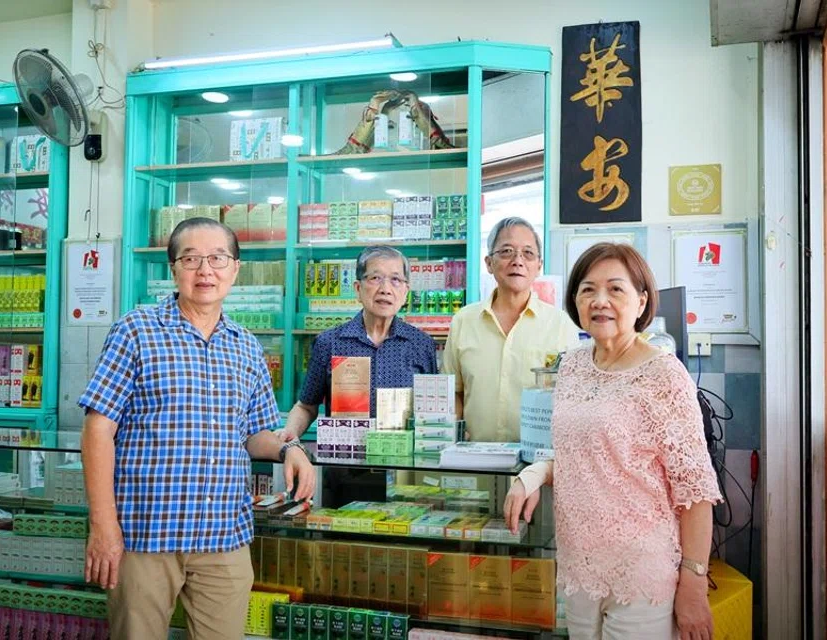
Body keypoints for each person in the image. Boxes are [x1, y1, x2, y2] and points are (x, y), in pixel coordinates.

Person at [78, 217, 315, 640]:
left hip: (223, 535)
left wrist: (288, 449)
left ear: (235, 268)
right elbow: (98, 430)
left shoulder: (246, 345)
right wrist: (103, 524)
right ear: (173, 269)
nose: (205, 270)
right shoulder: (137, 330)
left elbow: (256, 432)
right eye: (191, 258)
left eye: (218, 258)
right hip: (144, 533)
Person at [504, 242, 721, 640]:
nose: (599, 300)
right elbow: (586, 453)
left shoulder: (664, 375)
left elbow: (696, 490)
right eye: (588, 289)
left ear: (641, 302)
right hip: (579, 567)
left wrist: (693, 582)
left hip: (640, 573)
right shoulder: (571, 365)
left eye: (615, 289)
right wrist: (536, 472)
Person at [442, 217, 580, 442]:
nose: (518, 261)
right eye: (507, 251)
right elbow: (453, 391)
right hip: (475, 462)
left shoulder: (560, 324)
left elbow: (573, 398)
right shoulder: (463, 320)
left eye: (528, 253)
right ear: (489, 263)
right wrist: (453, 433)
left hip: (537, 465)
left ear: (538, 266)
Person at [280, 245, 438, 439]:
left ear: (406, 292)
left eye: (395, 280)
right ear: (358, 289)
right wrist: (291, 432)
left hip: (403, 465)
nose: (385, 289)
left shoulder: (422, 345)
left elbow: (431, 411)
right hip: (344, 461)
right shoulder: (329, 343)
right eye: (375, 278)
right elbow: (306, 405)